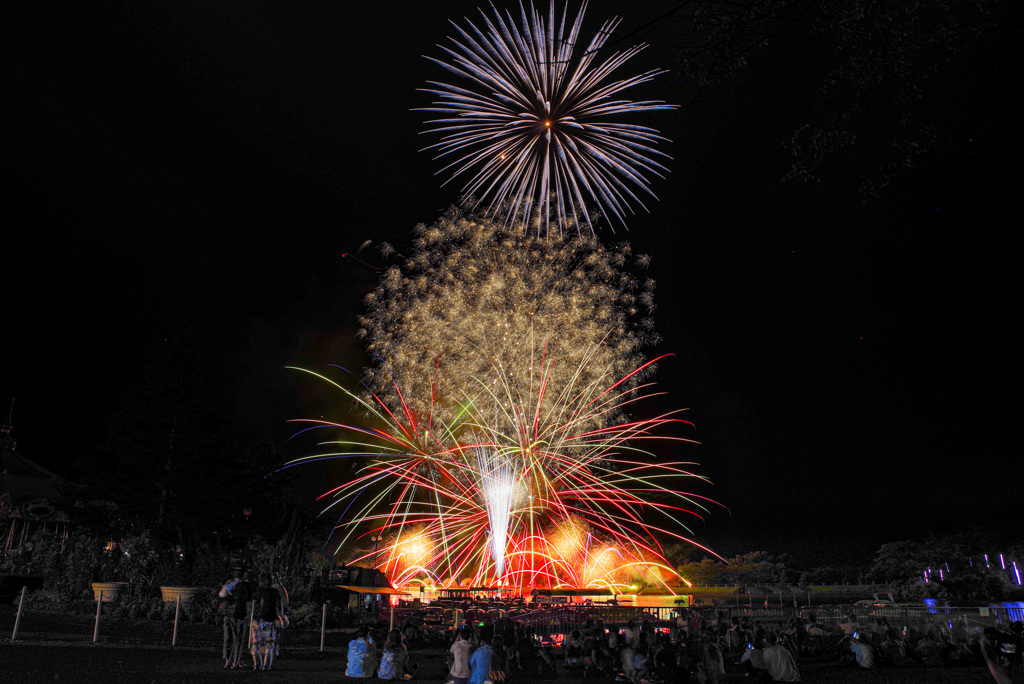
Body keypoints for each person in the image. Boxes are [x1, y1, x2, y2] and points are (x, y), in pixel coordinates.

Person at [218, 570, 251, 669]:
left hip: (227, 613)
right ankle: (236, 660)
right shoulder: (240, 585)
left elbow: (221, 594)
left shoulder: (229, 584)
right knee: (237, 638)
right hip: (236, 613)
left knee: (227, 637)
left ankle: (227, 660)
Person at [250, 574, 281, 670]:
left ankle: (256, 664)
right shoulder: (274, 592)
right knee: (269, 643)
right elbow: (279, 606)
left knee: (256, 643)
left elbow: (254, 605)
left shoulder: (258, 592)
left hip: (258, 619)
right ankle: (266, 665)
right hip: (270, 619)